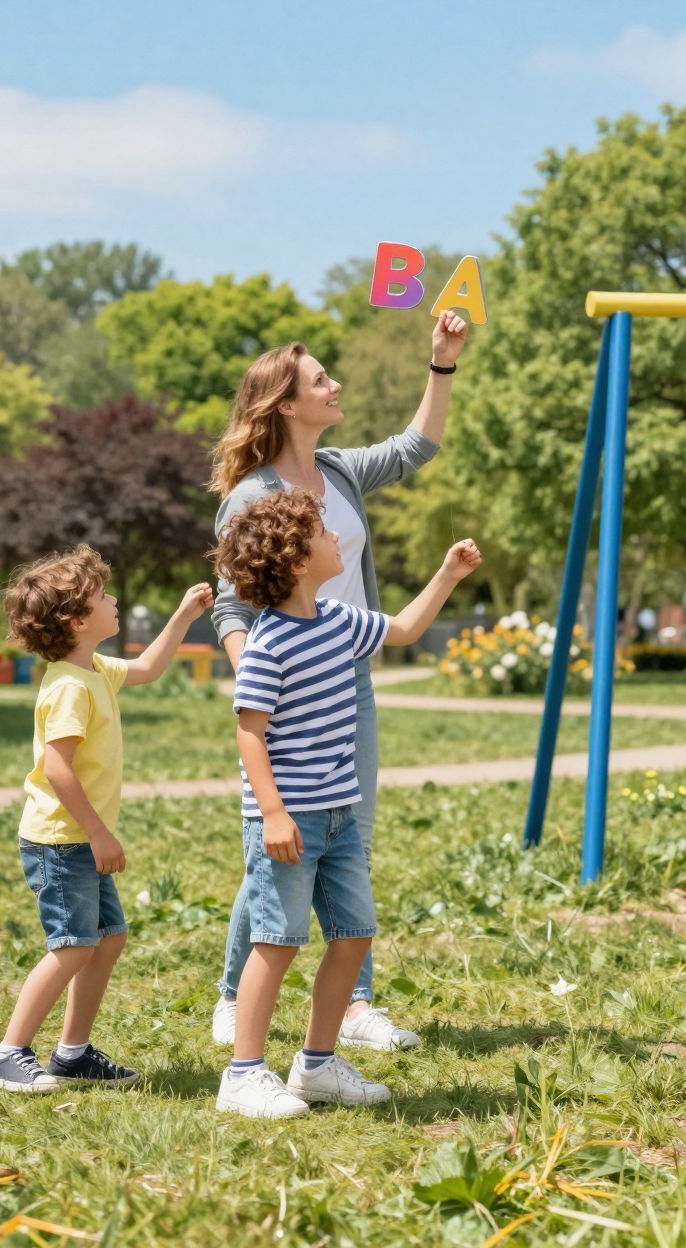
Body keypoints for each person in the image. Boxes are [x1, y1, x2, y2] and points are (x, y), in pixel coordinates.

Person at [206, 309, 470, 1054]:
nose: (336, 383)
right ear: (286, 403)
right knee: (281, 839)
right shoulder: (249, 497)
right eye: (321, 379)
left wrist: (442, 362)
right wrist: (266, 681)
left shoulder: (342, 471)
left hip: (349, 673)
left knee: (345, 834)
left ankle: (354, 1007)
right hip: (287, 688)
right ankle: (234, 996)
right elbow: (231, 604)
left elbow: (419, 444)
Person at [211, 489, 481, 1117]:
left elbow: (407, 630)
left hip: (338, 816)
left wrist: (448, 573)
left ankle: (317, 1063)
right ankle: (243, 1073)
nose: (337, 539)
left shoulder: (338, 619)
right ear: (297, 559)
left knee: (354, 935)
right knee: (276, 943)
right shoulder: (268, 642)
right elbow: (249, 731)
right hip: (289, 821)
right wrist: (273, 813)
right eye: (324, 533)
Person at [0, 546, 213, 1093]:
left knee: (107, 938)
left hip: (77, 839)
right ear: (78, 620)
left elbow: (151, 668)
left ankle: (73, 1053)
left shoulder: (95, 670)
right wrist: (100, 833)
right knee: (73, 946)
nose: (114, 601)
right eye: (103, 596)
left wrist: (184, 614)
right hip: (61, 841)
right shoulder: (68, 686)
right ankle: (8, 1053)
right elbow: (57, 768)